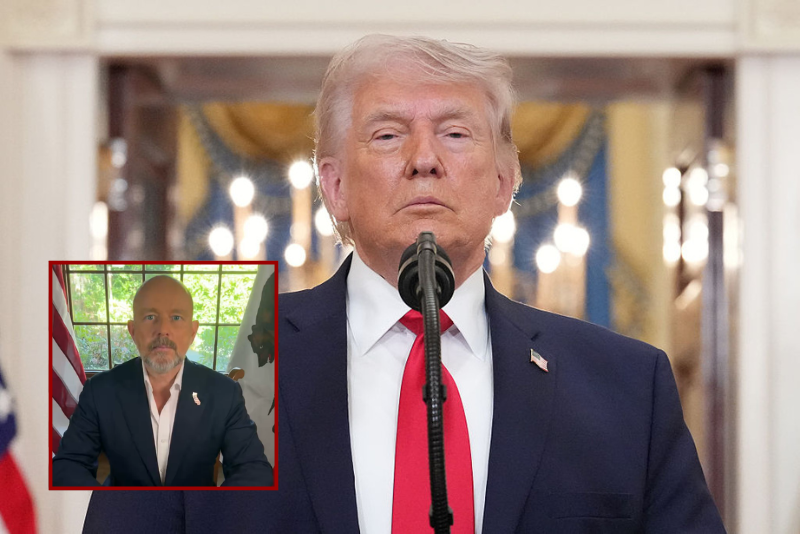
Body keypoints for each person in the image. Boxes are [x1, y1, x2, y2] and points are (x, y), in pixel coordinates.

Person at [83, 35, 725, 532]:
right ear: (334, 186)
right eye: (388, 134)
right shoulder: (197, 366)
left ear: (504, 183)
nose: (424, 159)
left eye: (455, 133)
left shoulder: (626, 386)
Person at [53, 275, 273, 487]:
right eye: (150, 317)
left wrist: (212, 508)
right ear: (133, 331)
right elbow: (68, 465)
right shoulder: (100, 391)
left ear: (193, 332)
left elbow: (254, 470)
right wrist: (108, 505)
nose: (163, 330)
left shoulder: (224, 393)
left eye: (176, 318)